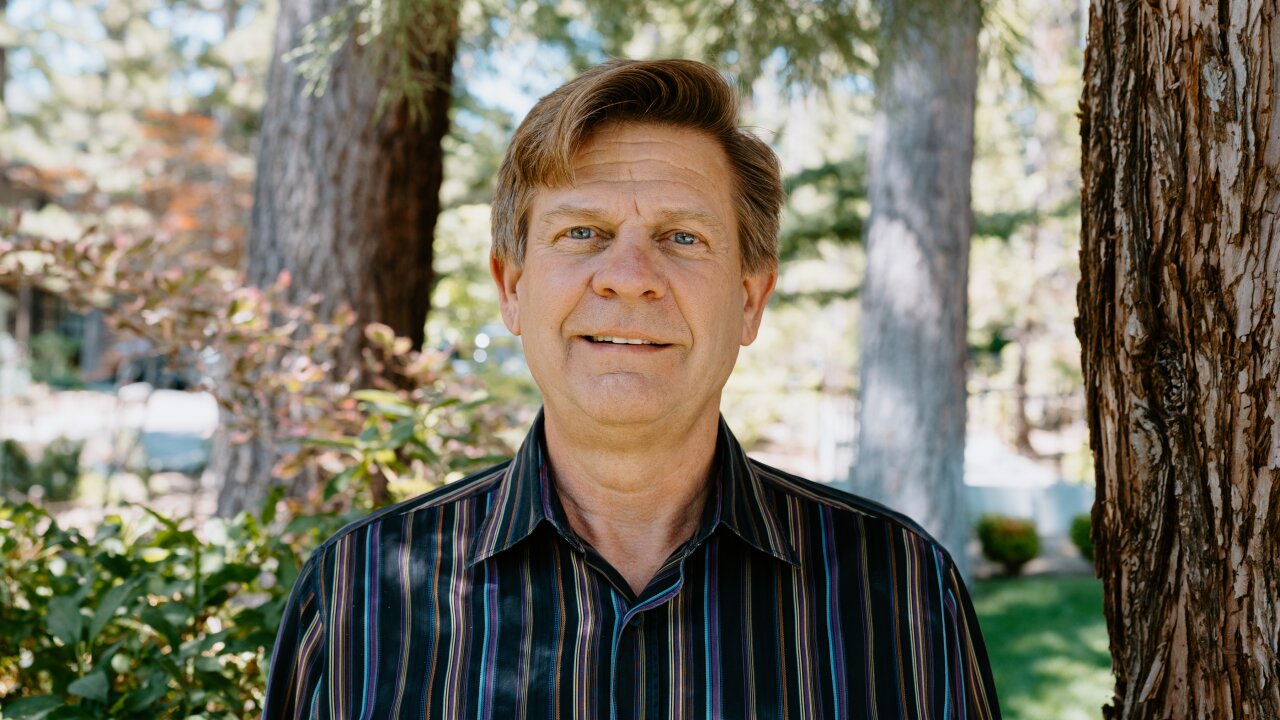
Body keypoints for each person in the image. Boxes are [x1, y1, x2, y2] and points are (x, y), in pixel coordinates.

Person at [262, 58, 1000, 719]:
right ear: (512, 288)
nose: (629, 275)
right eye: (582, 232)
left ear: (748, 300)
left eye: (683, 238)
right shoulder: (358, 592)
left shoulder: (901, 590)